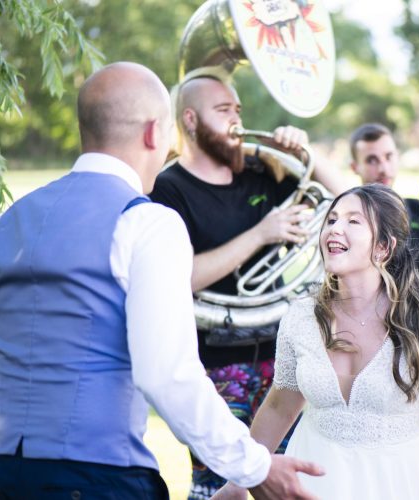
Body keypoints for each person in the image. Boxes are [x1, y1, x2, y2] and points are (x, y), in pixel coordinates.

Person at [0, 62, 323, 500]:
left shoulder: (5, 223)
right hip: (102, 478)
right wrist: (256, 467)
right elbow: (167, 374)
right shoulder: (148, 223)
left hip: (4, 476)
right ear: (153, 134)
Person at [213, 184, 419, 500]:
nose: (334, 229)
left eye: (353, 221)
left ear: (383, 247)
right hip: (316, 481)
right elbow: (279, 405)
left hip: (401, 483)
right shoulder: (300, 318)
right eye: (332, 219)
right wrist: (238, 483)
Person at [149, 74, 347, 500]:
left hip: (282, 359)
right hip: (214, 366)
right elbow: (177, 277)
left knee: (293, 483)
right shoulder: (167, 188)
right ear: (190, 119)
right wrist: (262, 233)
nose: (237, 120)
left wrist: (306, 152)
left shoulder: (262, 171)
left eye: (238, 110)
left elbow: (353, 202)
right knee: (220, 487)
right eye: (223, 111)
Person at [349, 123, 419, 279]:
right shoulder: (345, 217)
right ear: (354, 167)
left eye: (389, 156)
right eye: (372, 160)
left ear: (398, 156)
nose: (383, 169)